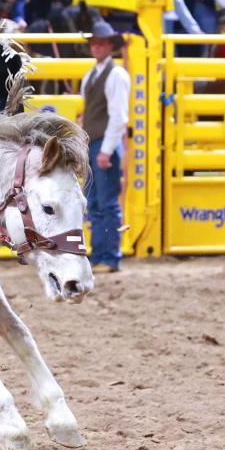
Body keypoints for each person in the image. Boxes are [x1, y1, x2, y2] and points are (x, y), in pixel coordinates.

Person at [80, 19, 129, 274]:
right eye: (95, 43)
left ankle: (109, 255)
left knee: (106, 203)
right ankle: (101, 253)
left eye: (101, 43)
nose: (97, 47)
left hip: (102, 144)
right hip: (94, 143)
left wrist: (107, 150)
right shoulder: (93, 74)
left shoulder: (115, 75)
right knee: (97, 201)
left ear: (110, 46)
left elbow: (119, 117)